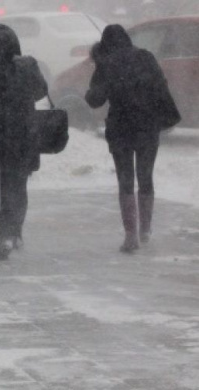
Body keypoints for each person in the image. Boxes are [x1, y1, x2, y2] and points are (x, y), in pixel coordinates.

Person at [85, 24, 179, 253]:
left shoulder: (107, 63)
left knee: (125, 181)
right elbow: (161, 87)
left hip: (121, 127)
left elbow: (95, 99)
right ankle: (146, 230)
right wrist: (165, 115)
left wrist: (97, 76)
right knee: (145, 176)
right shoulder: (146, 57)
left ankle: (130, 237)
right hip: (147, 126)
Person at [0, 24, 47, 261]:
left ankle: (4, 234)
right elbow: (41, 92)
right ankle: (16, 232)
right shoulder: (28, 66)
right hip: (23, 138)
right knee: (18, 186)